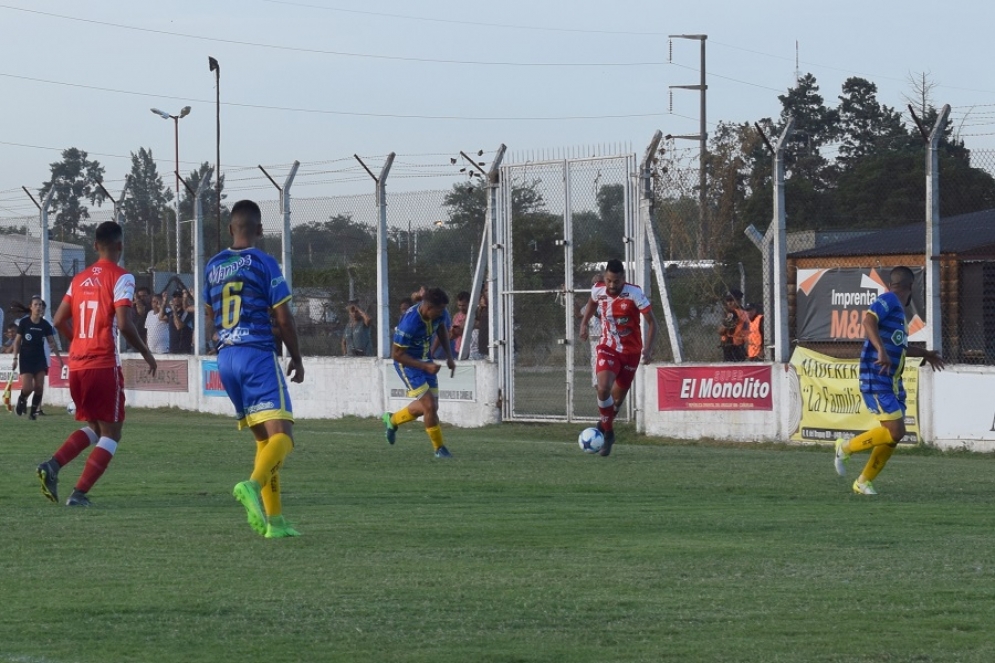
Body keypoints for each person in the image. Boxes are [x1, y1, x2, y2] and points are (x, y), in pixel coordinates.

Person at [36, 221, 157, 507]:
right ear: (120, 246)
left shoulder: (78, 280)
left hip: (77, 366)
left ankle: (52, 466)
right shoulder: (121, 277)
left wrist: (77, 340)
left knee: (94, 426)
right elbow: (126, 325)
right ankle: (78, 495)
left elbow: (57, 320)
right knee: (113, 432)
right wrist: (146, 353)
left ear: (94, 246)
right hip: (102, 364)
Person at [204, 199, 305, 538]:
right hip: (256, 354)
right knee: (283, 436)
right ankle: (252, 485)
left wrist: (220, 342)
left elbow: (208, 317)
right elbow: (283, 318)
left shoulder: (213, 264)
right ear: (260, 230)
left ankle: (275, 523)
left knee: (264, 440)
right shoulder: (264, 262)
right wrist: (297, 356)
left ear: (231, 228)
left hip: (226, 359)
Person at [833, 266, 944, 495]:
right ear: (910, 287)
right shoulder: (889, 299)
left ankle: (863, 482)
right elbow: (868, 320)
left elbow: (901, 347)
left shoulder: (898, 315)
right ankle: (845, 448)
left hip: (893, 381)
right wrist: (881, 350)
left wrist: (926, 354)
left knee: (892, 437)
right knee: (896, 431)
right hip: (876, 376)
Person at [578, 259, 657, 456]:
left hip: (631, 353)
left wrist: (648, 349)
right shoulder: (598, 289)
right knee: (603, 388)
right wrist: (584, 324)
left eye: (616, 282)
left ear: (623, 279)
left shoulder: (634, 293)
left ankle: (604, 425)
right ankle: (609, 434)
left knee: (616, 402)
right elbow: (590, 304)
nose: (612, 286)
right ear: (605, 278)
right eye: (609, 281)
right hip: (608, 347)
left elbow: (653, 323)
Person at [381, 287, 456, 458]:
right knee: (429, 405)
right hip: (407, 364)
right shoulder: (410, 323)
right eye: (440, 310)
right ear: (428, 308)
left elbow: (442, 328)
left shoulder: (439, 314)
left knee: (430, 407)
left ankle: (392, 420)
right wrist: (424, 367)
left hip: (425, 361)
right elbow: (397, 355)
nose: (443, 313)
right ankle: (439, 449)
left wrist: (449, 357)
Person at [12, 297, 63, 419]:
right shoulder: (24, 323)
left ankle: (33, 413)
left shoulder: (45, 324)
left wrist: (59, 358)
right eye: (36, 304)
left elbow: (52, 342)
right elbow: (17, 341)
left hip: (39, 358)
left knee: (39, 387)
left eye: (40, 305)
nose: (39, 307)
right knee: (28, 388)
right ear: (31, 307)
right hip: (26, 358)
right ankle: (22, 399)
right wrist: (15, 358)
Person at [718, 290, 750, 362]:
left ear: (738, 300)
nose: (729, 303)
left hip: (731, 346)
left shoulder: (733, 313)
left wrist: (725, 324)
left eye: (732, 300)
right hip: (741, 345)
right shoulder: (744, 312)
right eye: (728, 300)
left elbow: (721, 331)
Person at [161, 288, 194, 354]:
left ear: (183, 298)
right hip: (172, 348)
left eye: (179, 296)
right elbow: (161, 317)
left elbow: (179, 326)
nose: (176, 298)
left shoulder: (187, 312)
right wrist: (164, 302)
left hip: (183, 350)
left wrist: (174, 310)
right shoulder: (172, 312)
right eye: (175, 296)